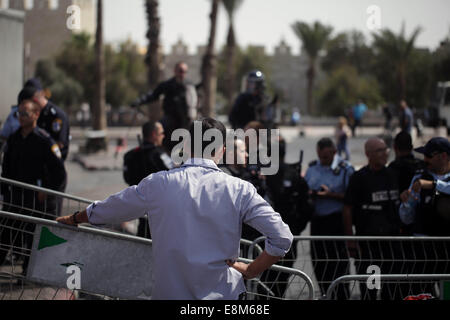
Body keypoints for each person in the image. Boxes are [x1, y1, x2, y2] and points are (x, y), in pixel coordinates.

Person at [57, 118, 293, 300]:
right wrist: (252, 269)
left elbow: (111, 208)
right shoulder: (239, 189)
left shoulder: (158, 184)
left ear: (187, 145)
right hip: (224, 294)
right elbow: (282, 237)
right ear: (221, 149)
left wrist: (77, 217)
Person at [0, 99, 66, 274]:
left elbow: (59, 172)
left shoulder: (44, 140)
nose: (21, 118)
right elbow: (6, 169)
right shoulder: (14, 139)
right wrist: (4, 192)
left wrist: (47, 191)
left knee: (32, 239)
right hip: (14, 199)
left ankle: (27, 274)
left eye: (25, 114)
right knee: (4, 235)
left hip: (35, 200)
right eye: (18, 114)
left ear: (36, 115)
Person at [343, 138, 402, 300]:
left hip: (392, 244)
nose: (385, 153)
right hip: (369, 246)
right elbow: (348, 208)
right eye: (380, 150)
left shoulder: (393, 175)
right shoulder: (359, 177)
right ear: (368, 154)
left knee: (391, 291)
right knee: (371, 290)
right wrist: (350, 239)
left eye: (385, 149)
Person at [399, 137, 450, 297]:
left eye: (428, 155)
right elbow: (406, 218)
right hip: (423, 249)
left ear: (443, 156)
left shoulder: (430, 182)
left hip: (447, 249)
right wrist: (406, 203)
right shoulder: (419, 177)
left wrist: (434, 185)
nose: (424, 159)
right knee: (421, 293)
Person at [305, 138, 354, 299]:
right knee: (319, 264)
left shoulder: (346, 169)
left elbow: (353, 197)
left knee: (339, 266)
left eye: (326, 157)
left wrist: (330, 195)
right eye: (321, 156)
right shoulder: (313, 168)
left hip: (337, 222)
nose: (323, 160)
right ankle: (326, 294)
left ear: (334, 151)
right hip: (317, 222)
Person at [123, 121, 175, 239]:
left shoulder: (130, 155)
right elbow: (173, 174)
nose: (164, 136)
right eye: (161, 133)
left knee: (142, 235)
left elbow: (127, 178)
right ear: (153, 134)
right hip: (160, 207)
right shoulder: (159, 154)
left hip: (139, 203)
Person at [130, 62, 198, 153]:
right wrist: (139, 101)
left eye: (185, 71)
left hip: (186, 121)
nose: (182, 74)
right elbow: (153, 95)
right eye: (180, 71)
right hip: (170, 119)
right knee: (155, 130)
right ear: (175, 71)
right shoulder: (167, 85)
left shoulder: (189, 85)